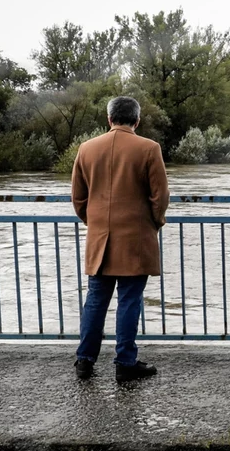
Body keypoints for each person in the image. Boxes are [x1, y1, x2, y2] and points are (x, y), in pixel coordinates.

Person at [71, 96, 170, 382]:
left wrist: (95, 222)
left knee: (95, 301)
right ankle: (125, 362)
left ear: (109, 118)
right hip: (136, 239)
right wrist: (154, 223)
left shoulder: (87, 149)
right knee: (129, 300)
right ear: (137, 121)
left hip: (99, 240)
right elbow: (159, 196)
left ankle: (84, 361)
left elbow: (78, 198)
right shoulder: (149, 148)